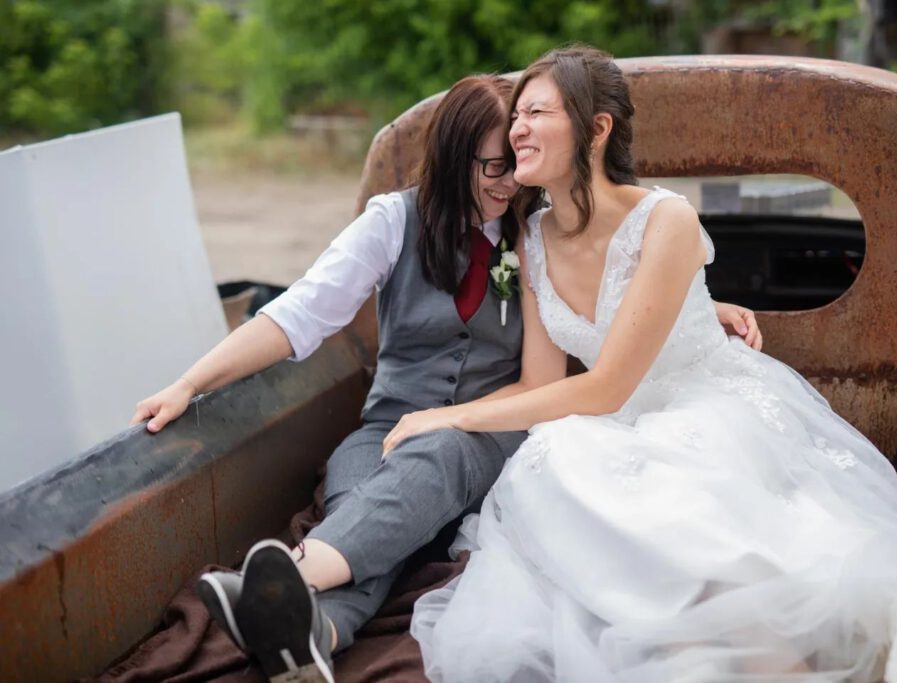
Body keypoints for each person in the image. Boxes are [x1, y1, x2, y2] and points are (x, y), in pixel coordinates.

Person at [130, 73, 761, 683]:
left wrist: (703, 307)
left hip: (493, 430)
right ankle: (317, 635)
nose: (509, 182)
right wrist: (191, 382)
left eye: (513, 164)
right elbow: (302, 313)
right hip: (386, 425)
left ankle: (287, 578)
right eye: (493, 166)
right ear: (454, 157)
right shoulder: (393, 221)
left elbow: (617, 280)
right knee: (362, 499)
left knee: (437, 454)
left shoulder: (534, 230)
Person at [401, 47, 897, 683]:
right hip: (616, 417)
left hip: (703, 403)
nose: (516, 127)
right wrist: (439, 421)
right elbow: (542, 384)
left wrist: (452, 412)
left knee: (664, 486)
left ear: (597, 129)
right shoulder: (533, 237)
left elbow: (604, 386)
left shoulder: (668, 218)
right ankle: (687, 635)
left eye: (536, 111)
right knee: (553, 461)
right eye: (516, 113)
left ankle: (773, 654)